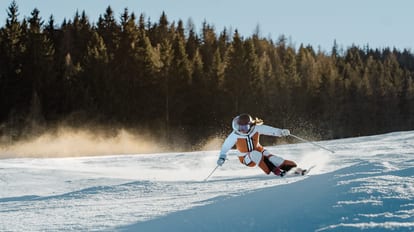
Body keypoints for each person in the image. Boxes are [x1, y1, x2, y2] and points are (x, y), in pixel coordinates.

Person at [217, 113, 304, 176]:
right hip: (245, 157)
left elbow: (269, 130)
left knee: (274, 159)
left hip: (259, 150)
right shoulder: (235, 135)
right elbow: (226, 146)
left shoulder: (256, 128)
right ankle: (275, 170)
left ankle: (294, 169)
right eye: (240, 127)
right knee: (254, 154)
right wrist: (222, 157)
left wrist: (281, 132)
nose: (242, 130)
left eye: (245, 127)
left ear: (250, 125)